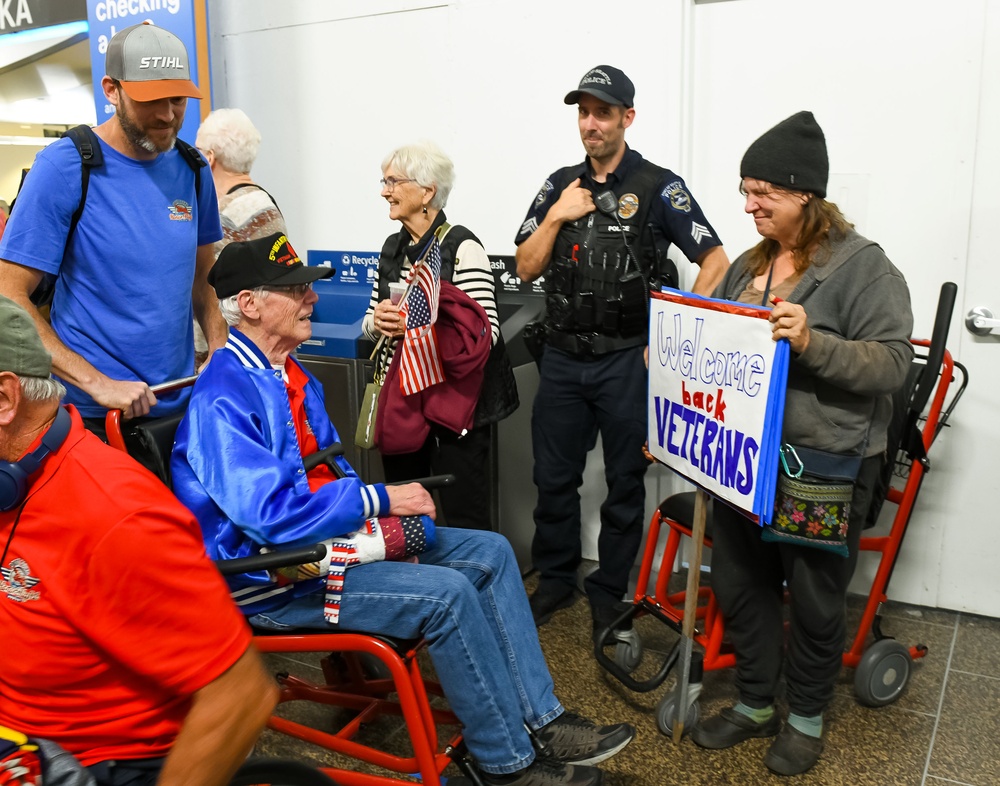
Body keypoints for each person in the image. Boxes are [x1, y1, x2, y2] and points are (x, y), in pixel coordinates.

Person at [172, 233, 634, 786]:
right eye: (295, 290)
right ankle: (505, 764)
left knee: (490, 549)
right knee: (447, 596)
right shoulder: (224, 393)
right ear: (249, 304)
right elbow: (270, 515)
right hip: (272, 576)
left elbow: (327, 472)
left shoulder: (292, 374)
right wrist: (380, 500)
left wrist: (374, 522)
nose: (311, 299)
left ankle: (543, 719)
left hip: (322, 549)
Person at [688, 112, 913, 776]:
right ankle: (757, 702)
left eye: (765, 193)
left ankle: (807, 717)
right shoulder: (753, 263)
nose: (749, 204)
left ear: (806, 194)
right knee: (741, 582)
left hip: (823, 462)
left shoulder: (862, 268)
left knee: (814, 598)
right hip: (742, 460)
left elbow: (893, 364)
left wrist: (814, 343)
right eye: (745, 189)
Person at [0, 295, 277, 786]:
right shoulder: (15, 485)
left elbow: (241, 696)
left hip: (86, 763)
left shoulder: (116, 516)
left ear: (5, 400)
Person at [513, 65, 730, 640]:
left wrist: (670, 334)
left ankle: (609, 589)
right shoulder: (560, 182)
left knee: (625, 483)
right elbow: (526, 266)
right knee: (552, 478)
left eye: (602, 112)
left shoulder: (660, 185)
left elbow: (716, 262)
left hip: (626, 362)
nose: (590, 123)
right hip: (560, 359)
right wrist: (559, 213)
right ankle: (556, 579)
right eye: (583, 112)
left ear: (626, 118)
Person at [0, 22, 225, 429]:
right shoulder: (66, 167)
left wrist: (219, 344)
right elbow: (9, 297)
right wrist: (98, 383)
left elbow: (203, 275)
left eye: (177, 99)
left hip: (181, 403)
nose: (167, 114)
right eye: (150, 100)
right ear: (111, 89)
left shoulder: (193, 170)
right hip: (92, 417)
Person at [363, 141, 517, 530]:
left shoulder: (463, 247)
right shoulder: (390, 249)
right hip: (402, 405)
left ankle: (471, 588)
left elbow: (488, 334)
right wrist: (378, 322)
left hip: (454, 409)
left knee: (465, 514)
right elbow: (368, 321)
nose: (385, 190)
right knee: (405, 509)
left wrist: (418, 330)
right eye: (384, 181)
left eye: (393, 181)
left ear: (427, 191)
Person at [194, 108, 286, 364]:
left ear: (209, 158)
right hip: (266, 352)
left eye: (197, 151)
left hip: (230, 357)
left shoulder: (222, 215)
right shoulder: (264, 201)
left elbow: (205, 288)